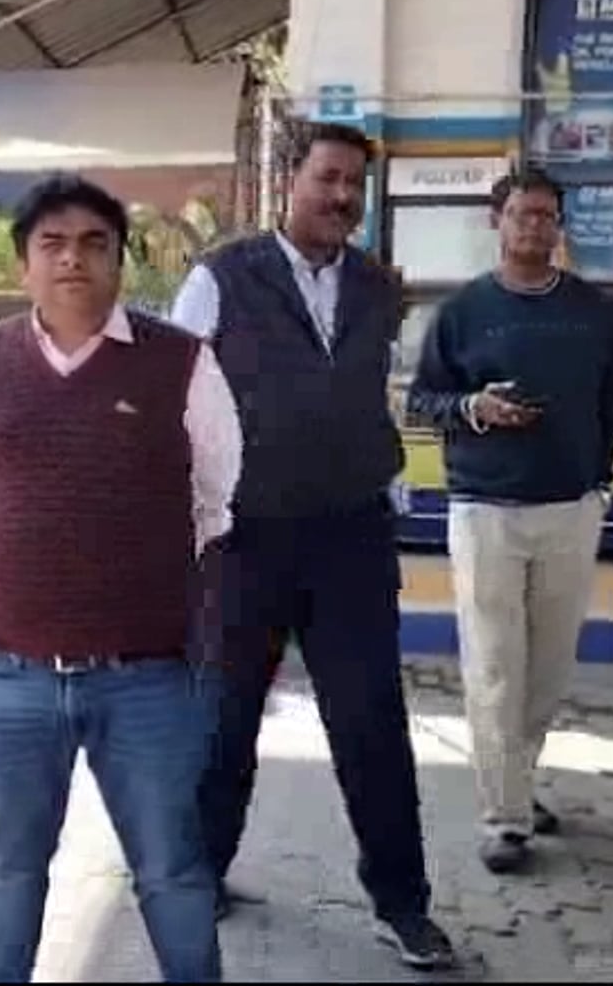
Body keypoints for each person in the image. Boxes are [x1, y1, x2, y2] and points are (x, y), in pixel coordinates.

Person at [0, 174, 240, 983]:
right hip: (11, 676)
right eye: (53, 244)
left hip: (147, 678)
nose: (73, 259)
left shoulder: (183, 364)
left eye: (94, 244)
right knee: (8, 868)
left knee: (172, 870)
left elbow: (213, 499)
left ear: (120, 262)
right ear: (23, 265)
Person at [171, 121, 458, 971]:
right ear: (289, 179)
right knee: (222, 721)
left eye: (353, 185)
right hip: (244, 540)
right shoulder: (221, 277)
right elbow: (176, 399)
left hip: (350, 540)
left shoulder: (379, 287)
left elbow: (373, 393)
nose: (341, 197)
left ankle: (403, 905)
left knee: (372, 725)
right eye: (327, 178)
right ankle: (198, 877)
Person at [405, 167, 613, 875]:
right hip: (486, 511)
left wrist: (600, 484)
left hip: (571, 509)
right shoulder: (463, 311)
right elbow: (421, 402)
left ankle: (516, 784)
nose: (535, 226)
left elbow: (609, 403)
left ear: (560, 226)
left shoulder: (594, 311)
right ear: (495, 222)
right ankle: (503, 818)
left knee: (547, 670)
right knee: (496, 666)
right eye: (522, 214)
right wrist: (476, 408)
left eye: (547, 216)